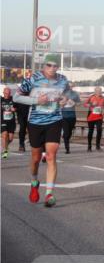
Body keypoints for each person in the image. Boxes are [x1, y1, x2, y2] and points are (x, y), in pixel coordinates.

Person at [14, 54, 71, 207]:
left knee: (51, 156)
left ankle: (49, 194)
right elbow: (16, 97)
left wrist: (65, 100)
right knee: (35, 158)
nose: (52, 68)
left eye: (55, 65)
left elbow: (67, 96)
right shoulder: (33, 79)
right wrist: (36, 101)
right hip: (35, 122)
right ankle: (34, 182)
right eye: (49, 65)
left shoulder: (63, 80)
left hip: (54, 121)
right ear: (44, 65)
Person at [85, 86, 104, 151]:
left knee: (99, 130)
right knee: (90, 131)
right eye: (98, 91)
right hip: (91, 116)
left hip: (99, 117)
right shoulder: (91, 97)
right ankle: (89, 146)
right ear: (95, 91)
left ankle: (98, 146)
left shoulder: (103, 98)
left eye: (100, 91)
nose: (99, 92)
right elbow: (85, 104)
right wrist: (91, 104)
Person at [61, 82, 80, 154]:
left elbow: (79, 103)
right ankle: (67, 148)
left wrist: (74, 103)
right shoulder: (61, 93)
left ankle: (65, 137)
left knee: (69, 132)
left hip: (72, 116)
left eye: (72, 86)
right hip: (63, 116)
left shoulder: (75, 94)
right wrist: (63, 103)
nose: (70, 87)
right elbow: (57, 104)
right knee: (66, 132)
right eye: (69, 86)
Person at [2, 87, 16, 159]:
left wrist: (15, 109)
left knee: (10, 138)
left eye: (8, 93)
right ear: (3, 93)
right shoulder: (1, 100)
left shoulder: (13, 100)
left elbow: (17, 108)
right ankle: (5, 151)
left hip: (11, 121)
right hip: (3, 121)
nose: (7, 94)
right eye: (6, 93)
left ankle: (6, 147)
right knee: (4, 135)